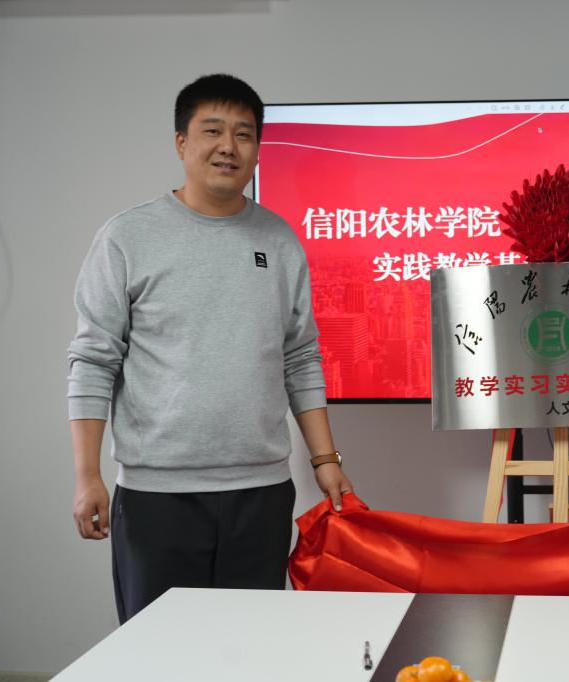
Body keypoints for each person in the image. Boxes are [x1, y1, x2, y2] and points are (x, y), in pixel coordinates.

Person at [67, 74, 353, 623]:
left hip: (262, 492)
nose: (229, 147)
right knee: (160, 650)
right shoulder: (128, 237)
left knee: (250, 646)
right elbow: (93, 361)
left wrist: (325, 461)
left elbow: (300, 357)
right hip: (158, 495)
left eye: (244, 134)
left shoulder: (278, 239)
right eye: (212, 131)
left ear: (257, 149)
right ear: (181, 142)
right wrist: (87, 476)